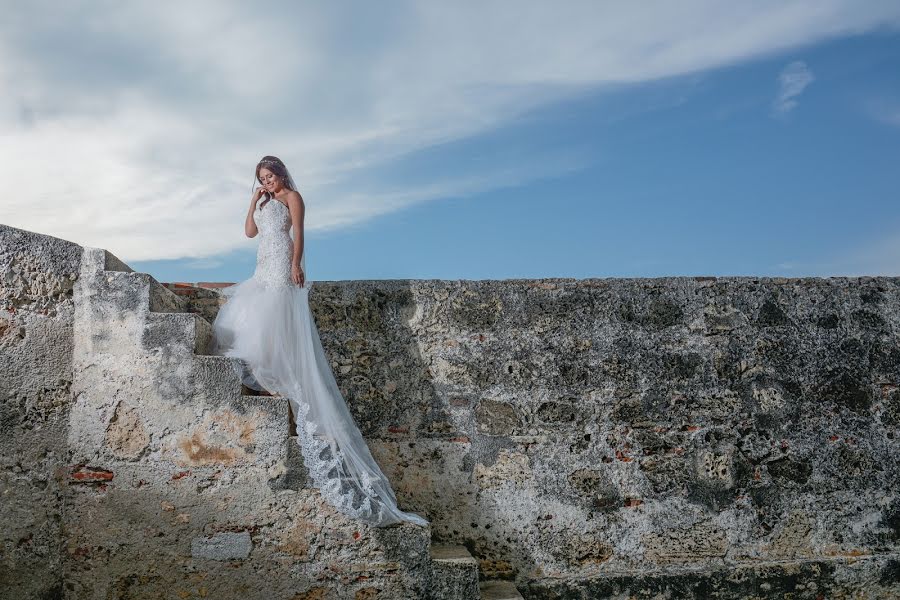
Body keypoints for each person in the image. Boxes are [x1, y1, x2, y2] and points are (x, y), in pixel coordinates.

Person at [211, 155, 428, 528]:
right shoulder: (263, 201)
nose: (268, 182)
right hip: (262, 264)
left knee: (276, 325)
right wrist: (253, 201)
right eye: (262, 178)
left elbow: (299, 234)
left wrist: (297, 265)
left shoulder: (293, 197)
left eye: (271, 175)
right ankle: (269, 383)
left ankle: (282, 386)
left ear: (281, 174)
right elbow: (249, 233)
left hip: (281, 263)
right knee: (248, 325)